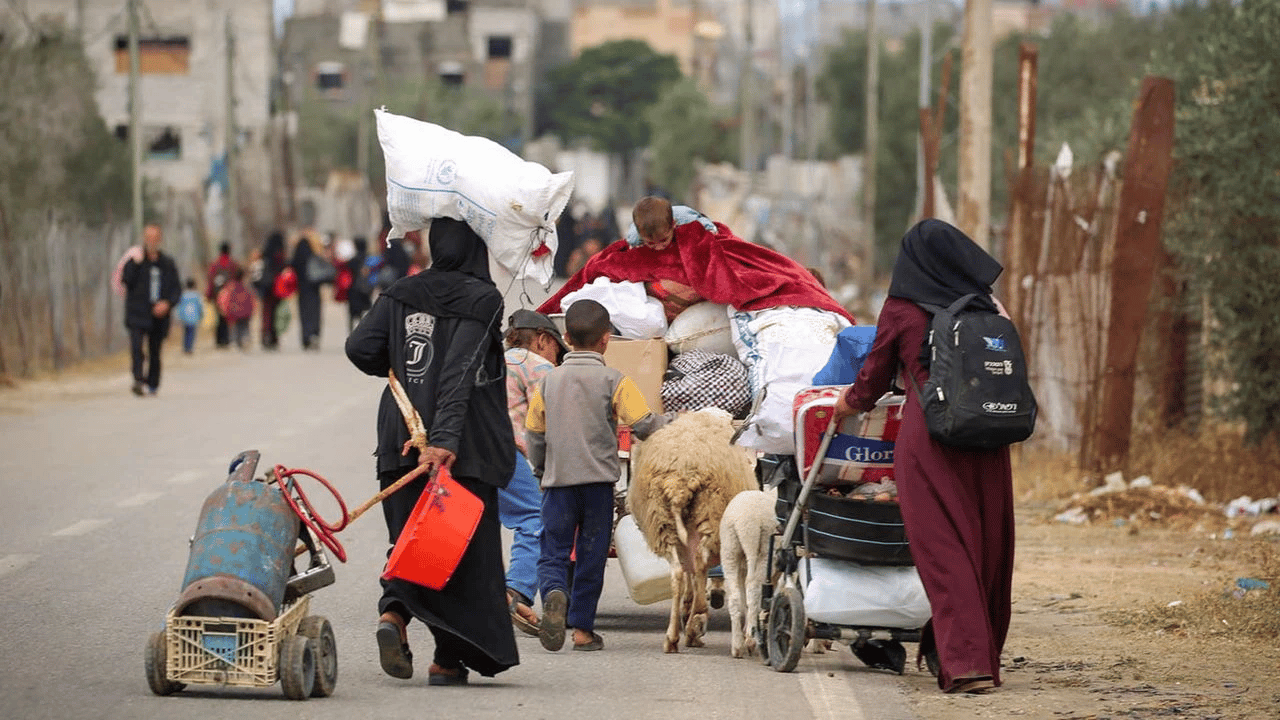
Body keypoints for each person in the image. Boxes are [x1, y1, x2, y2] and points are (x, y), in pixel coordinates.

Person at [832, 218, 1015, 695]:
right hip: (989, 440)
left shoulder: (902, 308)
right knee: (986, 547)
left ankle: (967, 663)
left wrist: (845, 403)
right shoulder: (986, 304)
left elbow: (873, 378)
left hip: (931, 441)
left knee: (943, 550)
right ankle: (973, 652)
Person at [345, 217, 518, 686]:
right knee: (456, 551)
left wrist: (403, 363)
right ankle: (445, 660)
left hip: (400, 435)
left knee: (411, 540)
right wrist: (443, 441)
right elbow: (460, 370)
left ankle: (394, 616)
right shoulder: (482, 299)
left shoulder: (402, 291)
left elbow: (360, 347)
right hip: (457, 446)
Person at [524, 299, 673, 652]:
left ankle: (554, 593)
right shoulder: (615, 380)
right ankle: (582, 631)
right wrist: (676, 422)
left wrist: (543, 470)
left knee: (553, 550)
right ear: (606, 339)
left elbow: (534, 433)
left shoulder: (548, 382)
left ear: (565, 337)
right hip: (597, 487)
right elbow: (643, 424)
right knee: (591, 555)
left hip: (558, 484)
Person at [500, 309, 570, 637]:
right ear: (543, 340)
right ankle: (516, 592)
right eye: (556, 348)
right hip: (507, 453)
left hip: (467, 452)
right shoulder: (539, 366)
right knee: (536, 519)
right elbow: (547, 423)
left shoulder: (491, 360)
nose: (557, 358)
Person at [120, 224, 181, 396]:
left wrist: (167, 303)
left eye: (155, 238)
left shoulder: (167, 263)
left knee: (155, 350)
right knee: (136, 347)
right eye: (148, 238)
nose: (151, 241)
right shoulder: (135, 260)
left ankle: (153, 382)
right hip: (137, 312)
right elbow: (126, 281)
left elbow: (176, 289)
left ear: (160, 239)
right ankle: (138, 380)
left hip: (159, 315)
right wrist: (135, 264)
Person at [291, 231, 329, 350]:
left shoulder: (296, 259)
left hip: (302, 290)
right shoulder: (313, 257)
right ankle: (314, 334)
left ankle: (306, 337)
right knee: (315, 313)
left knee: (304, 314)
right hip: (314, 290)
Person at [256, 230, 288, 350]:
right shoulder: (279, 255)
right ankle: (273, 337)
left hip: (265, 288)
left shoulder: (264, 254)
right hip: (276, 288)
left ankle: (265, 336)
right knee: (275, 314)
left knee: (266, 313)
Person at [206, 242, 240, 349]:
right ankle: (226, 339)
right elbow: (237, 278)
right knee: (227, 317)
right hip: (229, 293)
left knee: (218, 317)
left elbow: (210, 279)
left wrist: (209, 294)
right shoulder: (233, 264)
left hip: (217, 294)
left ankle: (219, 340)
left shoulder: (215, 264)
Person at [216, 267, 256, 350]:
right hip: (245, 312)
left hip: (234, 311)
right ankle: (245, 339)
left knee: (235, 327)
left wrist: (224, 309)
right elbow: (251, 300)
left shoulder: (230, 287)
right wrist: (252, 310)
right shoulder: (246, 287)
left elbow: (224, 299)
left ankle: (236, 342)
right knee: (244, 326)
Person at [345, 236, 374, 332]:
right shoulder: (369, 259)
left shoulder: (353, 260)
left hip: (354, 288)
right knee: (364, 312)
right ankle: (363, 330)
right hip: (366, 288)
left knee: (352, 313)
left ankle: (352, 331)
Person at [176, 278, 204, 355]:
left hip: (185, 316)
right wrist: (201, 314)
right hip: (194, 316)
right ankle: (190, 348)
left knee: (185, 333)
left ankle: (185, 347)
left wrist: (179, 315)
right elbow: (200, 306)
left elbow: (180, 306)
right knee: (192, 333)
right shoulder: (196, 295)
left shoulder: (183, 294)